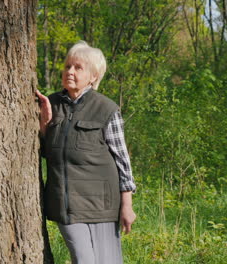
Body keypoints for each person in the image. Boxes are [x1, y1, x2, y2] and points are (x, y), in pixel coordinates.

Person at [35, 40, 136, 264]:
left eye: (78, 67)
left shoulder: (107, 108)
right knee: (84, 261)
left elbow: (122, 161)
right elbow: (43, 152)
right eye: (67, 66)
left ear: (93, 76)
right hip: (66, 205)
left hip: (103, 204)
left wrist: (127, 206)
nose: (69, 71)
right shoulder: (50, 104)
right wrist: (44, 126)